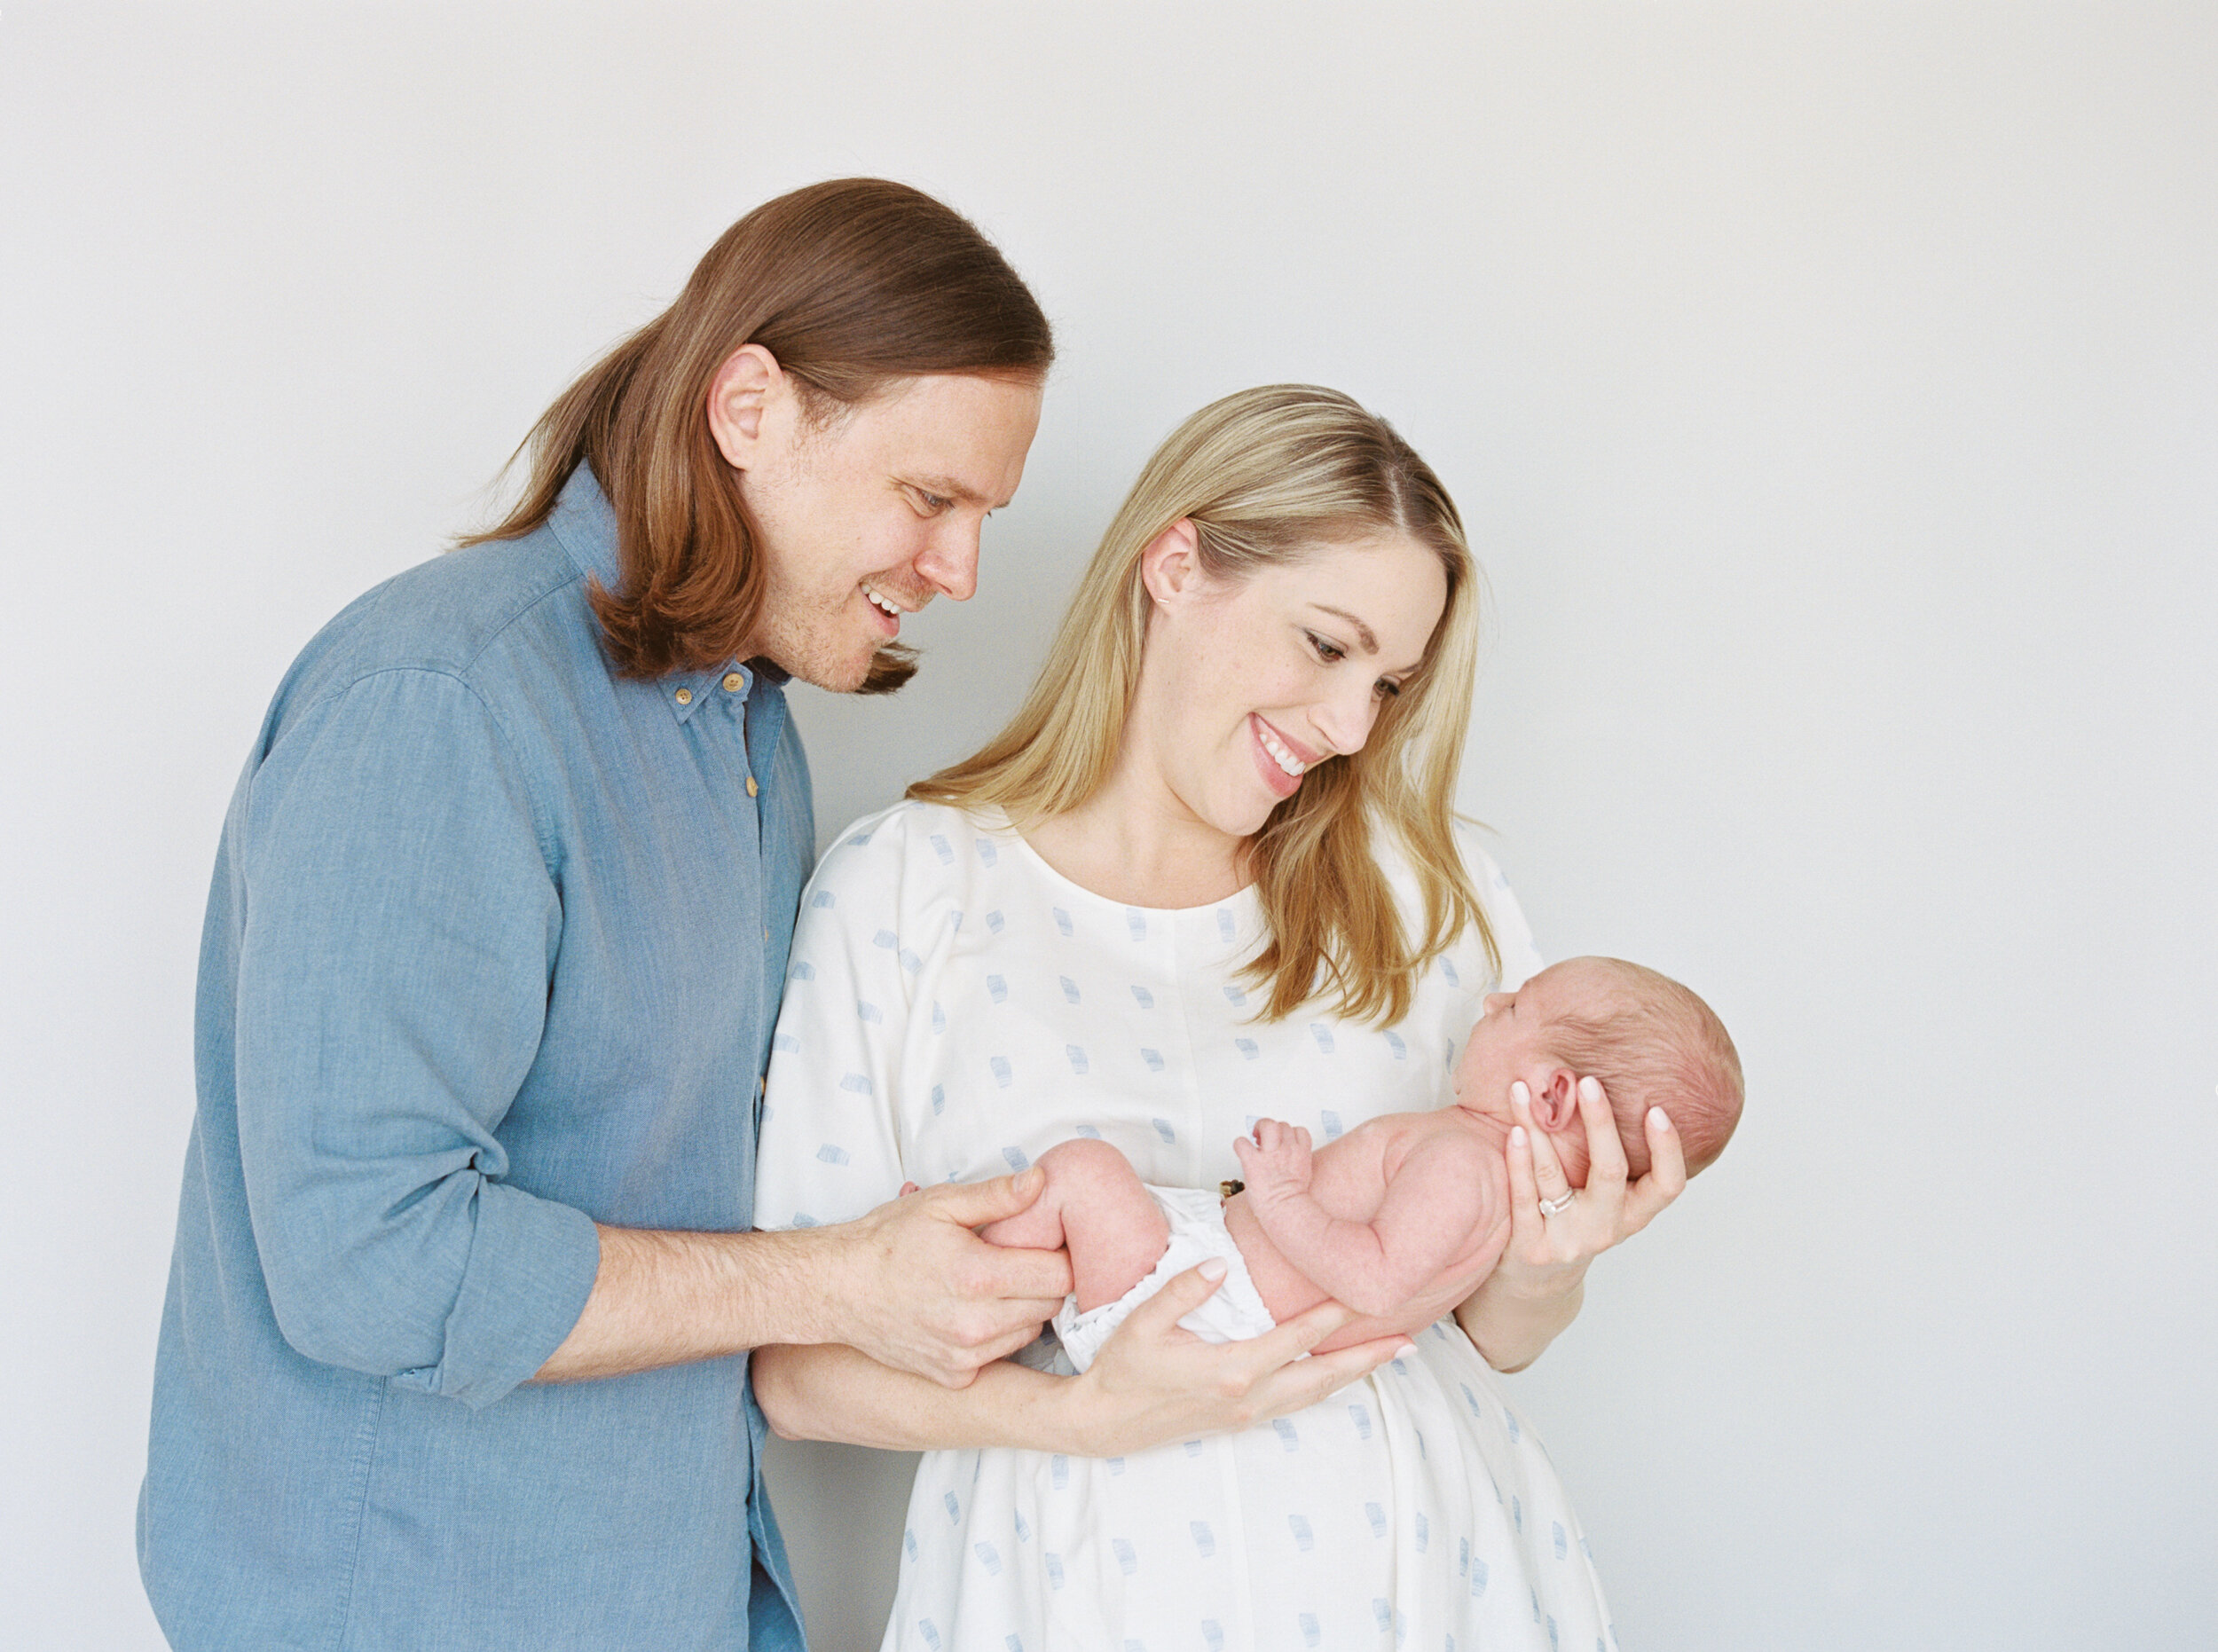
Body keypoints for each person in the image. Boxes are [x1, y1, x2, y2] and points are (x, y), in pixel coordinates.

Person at [138, 178, 1085, 1651]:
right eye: (931, 497)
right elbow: (373, 1262)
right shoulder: (441, 702)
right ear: (751, 408)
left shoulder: (748, 733)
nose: (959, 571)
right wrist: (840, 1279)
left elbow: (703, 1182)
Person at [751, 386, 1693, 1651]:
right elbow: (795, 1370)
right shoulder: (913, 890)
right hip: (1077, 1590)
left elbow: (1495, 1337)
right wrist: (1077, 1417)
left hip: (1425, 1579)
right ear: (1176, 564)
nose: (1354, 725)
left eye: (1390, 681)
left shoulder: (1431, 896)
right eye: (1325, 644)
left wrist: (1545, 1266)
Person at [978, 956, 1742, 1372]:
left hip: (1212, 1306)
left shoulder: (1463, 1166)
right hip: (1217, 1282)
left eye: (1516, 1008)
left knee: (1083, 1175)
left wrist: (1280, 1197)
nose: (1491, 1001)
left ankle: (966, 1287)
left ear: (1550, 1097)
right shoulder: (1493, 1184)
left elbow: (1375, 1281)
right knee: (1089, 1201)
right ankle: (975, 1270)